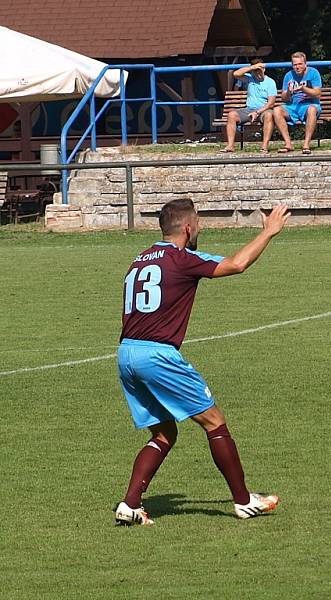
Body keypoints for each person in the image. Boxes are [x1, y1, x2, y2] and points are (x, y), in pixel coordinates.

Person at [114, 198, 290, 525]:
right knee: (214, 422)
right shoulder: (182, 259)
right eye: (199, 223)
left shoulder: (138, 260)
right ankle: (243, 501)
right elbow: (236, 264)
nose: (200, 228)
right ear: (187, 227)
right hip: (157, 355)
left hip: (126, 354)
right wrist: (268, 233)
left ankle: (130, 505)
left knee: (164, 434)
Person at [220, 58, 278, 153]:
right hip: (249, 110)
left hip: (263, 110)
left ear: (264, 69)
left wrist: (257, 112)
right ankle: (230, 146)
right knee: (231, 115)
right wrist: (252, 67)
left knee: (269, 115)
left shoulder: (270, 82)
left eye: (260, 69)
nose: (258, 72)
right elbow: (235, 74)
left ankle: (264, 146)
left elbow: (271, 103)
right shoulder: (250, 78)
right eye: (255, 70)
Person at [273, 51, 323, 155]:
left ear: (305, 64)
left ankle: (306, 145)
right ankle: (288, 144)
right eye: (295, 64)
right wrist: (288, 92)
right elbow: (284, 98)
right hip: (292, 106)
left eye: (300, 64)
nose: (297, 67)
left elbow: (317, 94)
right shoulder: (288, 75)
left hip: (309, 105)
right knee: (277, 110)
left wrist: (304, 89)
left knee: (312, 109)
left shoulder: (313, 73)